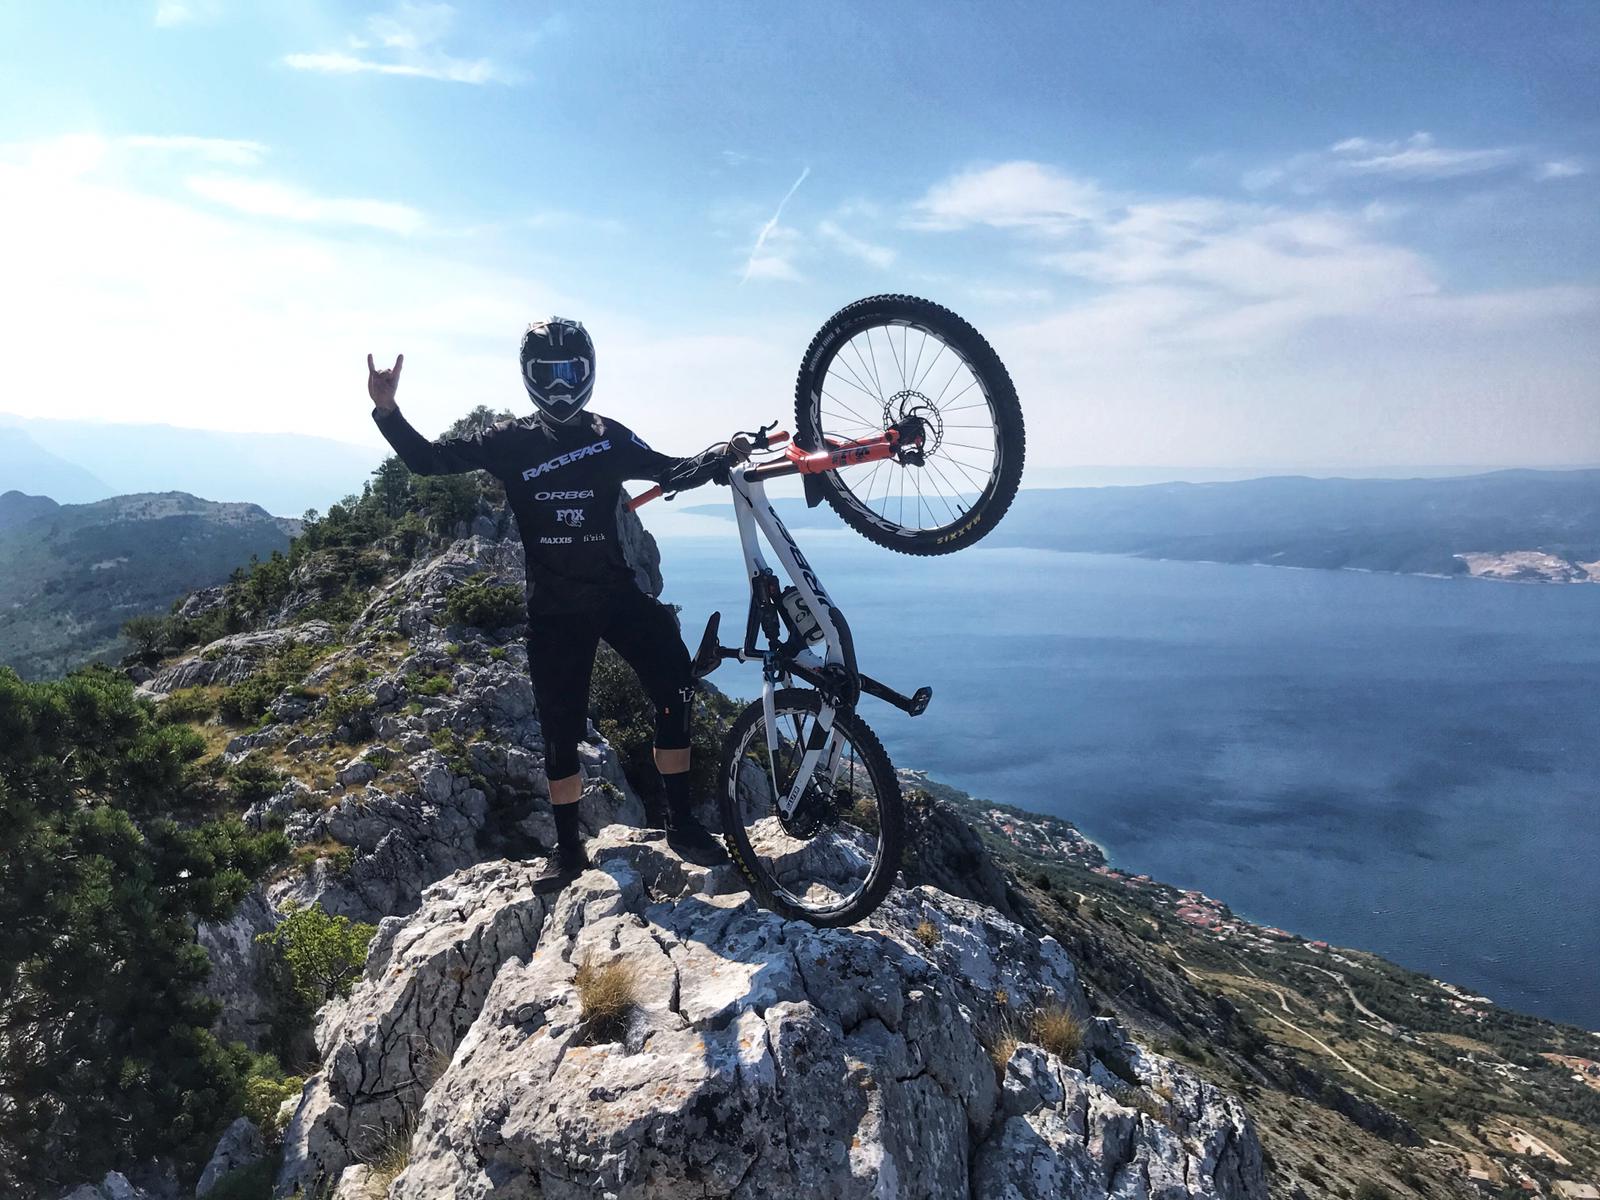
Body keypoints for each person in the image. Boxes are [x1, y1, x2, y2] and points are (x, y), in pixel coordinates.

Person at [365, 317, 744, 892]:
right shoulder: (507, 439)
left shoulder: (608, 436)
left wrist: (721, 456)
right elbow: (428, 461)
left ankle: (682, 823)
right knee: (559, 732)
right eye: (550, 373)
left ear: (588, 373)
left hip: (615, 594)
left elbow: (670, 470)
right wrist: (388, 411)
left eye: (572, 372)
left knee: (674, 686)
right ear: (529, 377)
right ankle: (567, 853)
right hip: (555, 610)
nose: (562, 385)